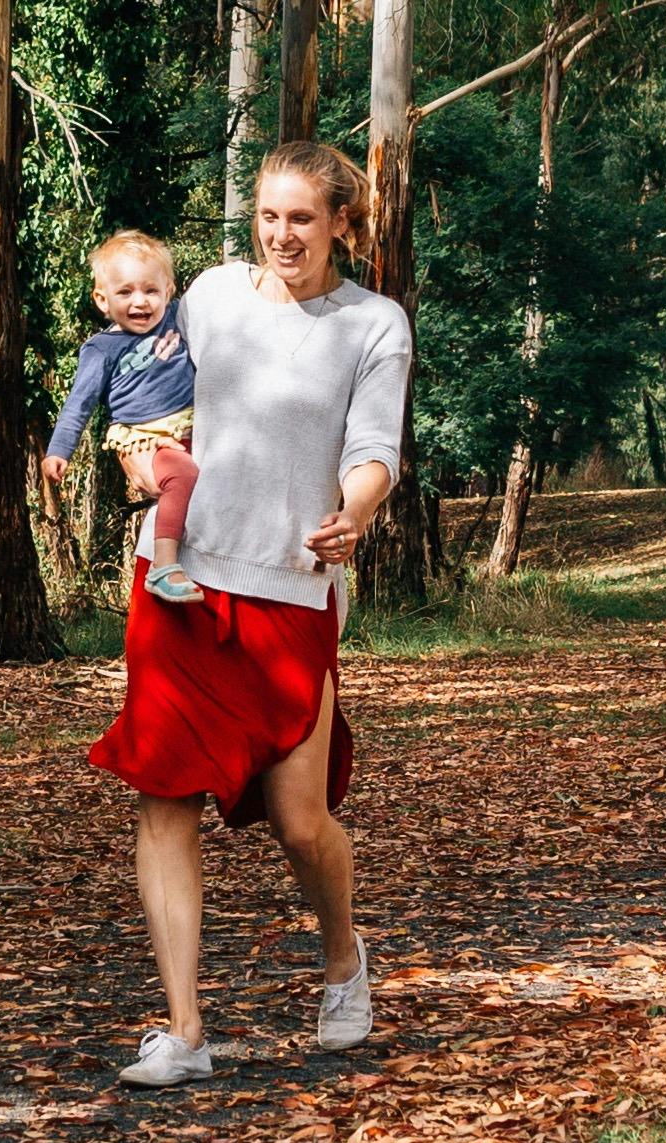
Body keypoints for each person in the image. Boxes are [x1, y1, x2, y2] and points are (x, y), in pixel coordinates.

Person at [83, 141, 405, 1085]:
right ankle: (184, 1030)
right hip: (180, 584)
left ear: (342, 222)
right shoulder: (213, 296)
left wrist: (355, 512)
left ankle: (343, 962)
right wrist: (132, 454)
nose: (281, 235)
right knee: (162, 793)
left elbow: (374, 446)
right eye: (268, 216)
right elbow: (146, 390)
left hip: (292, 590)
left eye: (302, 218)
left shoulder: (372, 324)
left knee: (300, 821)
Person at [43, 230, 206, 605]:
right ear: (102, 299)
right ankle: (164, 566)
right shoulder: (102, 349)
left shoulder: (178, 318)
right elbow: (78, 403)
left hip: (192, 427)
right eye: (125, 292)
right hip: (144, 436)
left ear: (169, 291)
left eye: (151, 291)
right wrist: (59, 450)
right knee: (182, 477)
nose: (141, 302)